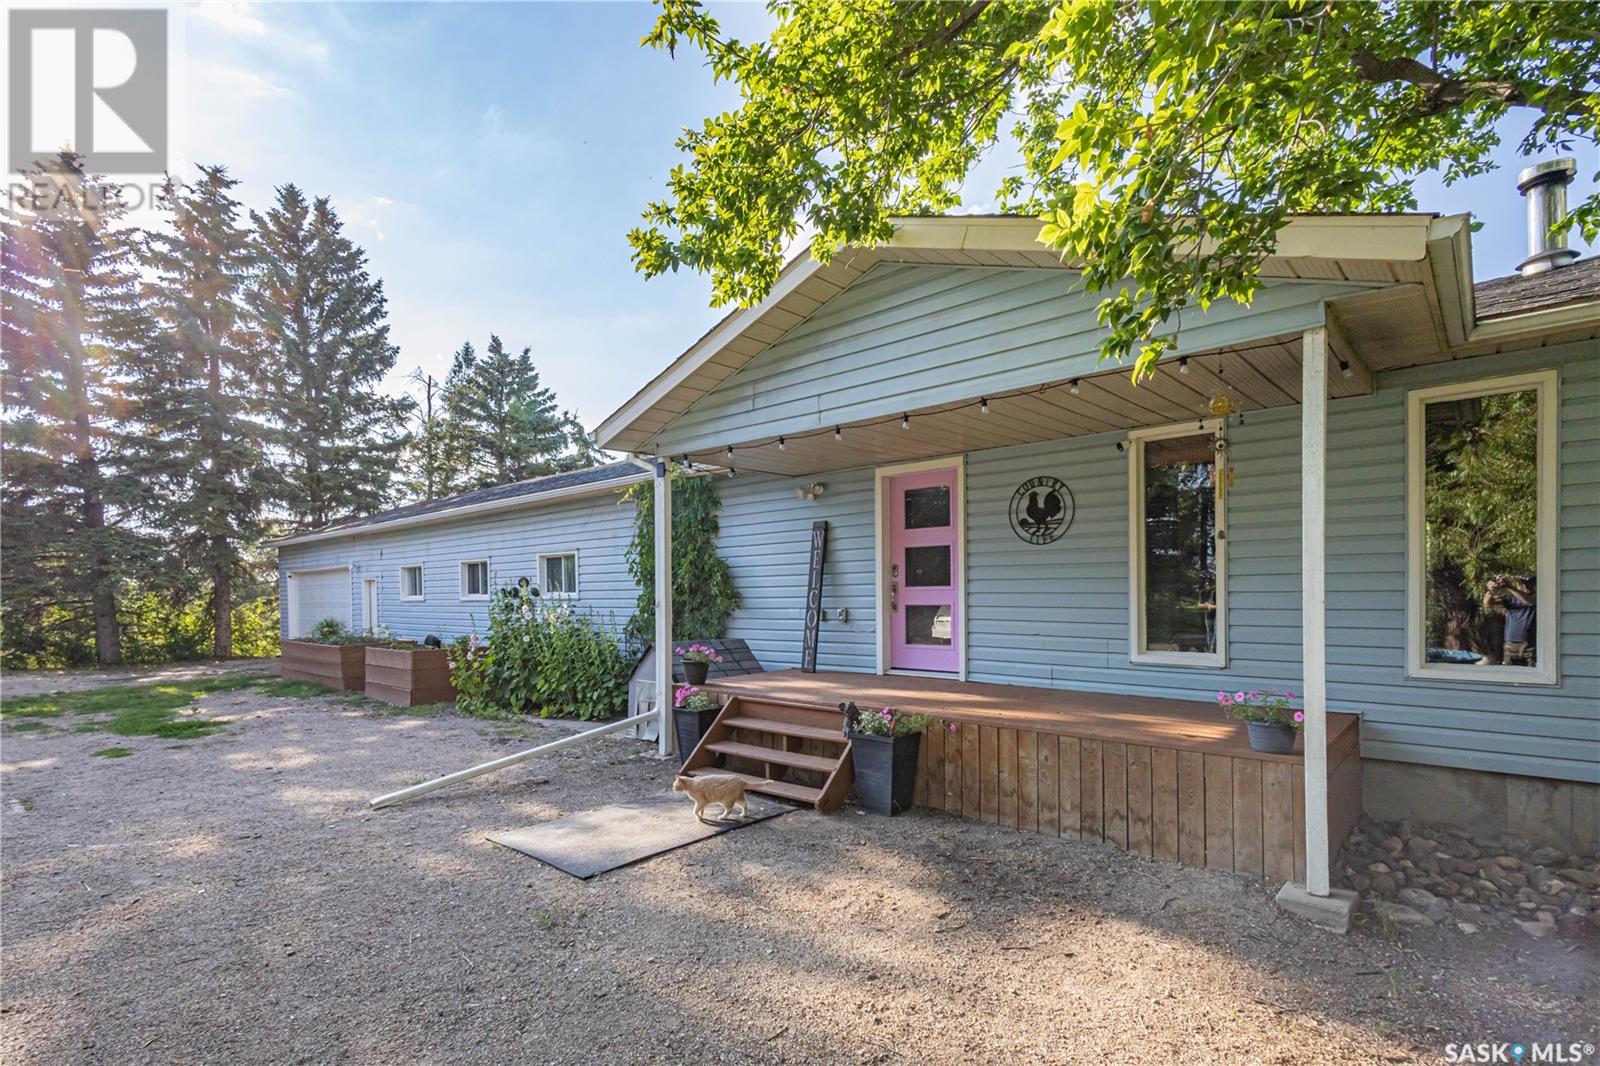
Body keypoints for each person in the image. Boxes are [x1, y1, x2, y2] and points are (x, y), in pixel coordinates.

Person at [1482, 575, 1536, 666]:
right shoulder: (1511, 598)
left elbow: (1529, 602)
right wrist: (1491, 589)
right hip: (1510, 644)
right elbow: (1487, 603)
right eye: (1522, 584)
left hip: (1529, 646)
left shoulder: (1537, 597)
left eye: (1528, 584)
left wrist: (1510, 587)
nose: (1525, 587)